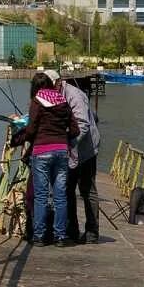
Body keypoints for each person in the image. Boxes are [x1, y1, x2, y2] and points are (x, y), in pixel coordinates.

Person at [12, 72, 78, 248]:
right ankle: (60, 236)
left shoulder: (37, 101)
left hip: (41, 151)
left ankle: (39, 236)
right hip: (61, 152)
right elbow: (75, 130)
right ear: (50, 84)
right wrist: (61, 136)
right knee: (60, 196)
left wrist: (20, 132)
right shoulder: (63, 101)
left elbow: (32, 130)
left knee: (41, 196)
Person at [44, 70, 101, 244]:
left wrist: (66, 143)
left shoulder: (74, 96)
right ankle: (71, 229)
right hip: (65, 150)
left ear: (59, 82)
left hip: (85, 149)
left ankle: (92, 232)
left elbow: (83, 124)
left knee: (87, 190)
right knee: (66, 189)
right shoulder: (50, 94)